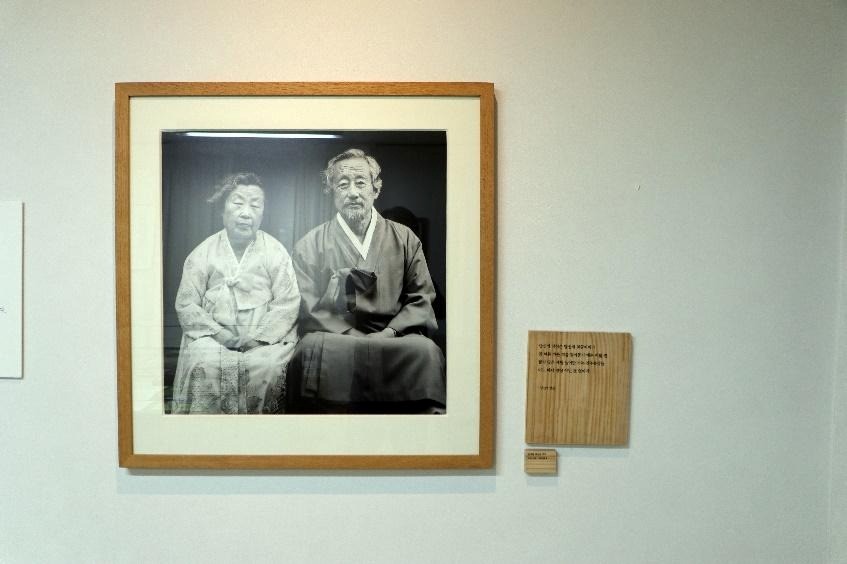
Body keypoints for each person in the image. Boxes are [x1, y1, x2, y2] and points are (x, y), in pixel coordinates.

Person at [286, 148, 445, 413]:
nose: (353, 192)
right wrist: (351, 334)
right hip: (337, 338)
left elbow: (421, 297)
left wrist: (389, 333)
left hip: (394, 339)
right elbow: (308, 305)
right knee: (309, 349)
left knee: (426, 351)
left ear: (376, 189)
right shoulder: (310, 244)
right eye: (343, 184)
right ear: (331, 190)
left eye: (360, 183)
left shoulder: (405, 238)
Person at [171, 172, 300, 414]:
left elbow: (287, 302)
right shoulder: (203, 252)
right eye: (238, 203)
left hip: (264, 340)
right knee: (206, 362)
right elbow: (187, 304)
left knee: (268, 366)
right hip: (212, 338)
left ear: (262, 213)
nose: (246, 213)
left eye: (255, 205)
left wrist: (258, 339)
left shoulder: (275, 252)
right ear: (222, 209)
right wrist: (221, 335)